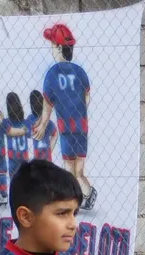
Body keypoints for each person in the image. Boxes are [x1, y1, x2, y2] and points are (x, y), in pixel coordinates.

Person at [33, 24, 95, 210]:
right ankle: (89, 194)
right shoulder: (80, 72)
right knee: (79, 171)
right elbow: (87, 97)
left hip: (66, 127)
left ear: (59, 47)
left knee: (69, 169)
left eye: (53, 44)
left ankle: (73, 202)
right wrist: (78, 110)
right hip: (81, 126)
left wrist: (43, 124)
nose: (52, 49)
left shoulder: (51, 74)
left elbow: (47, 105)